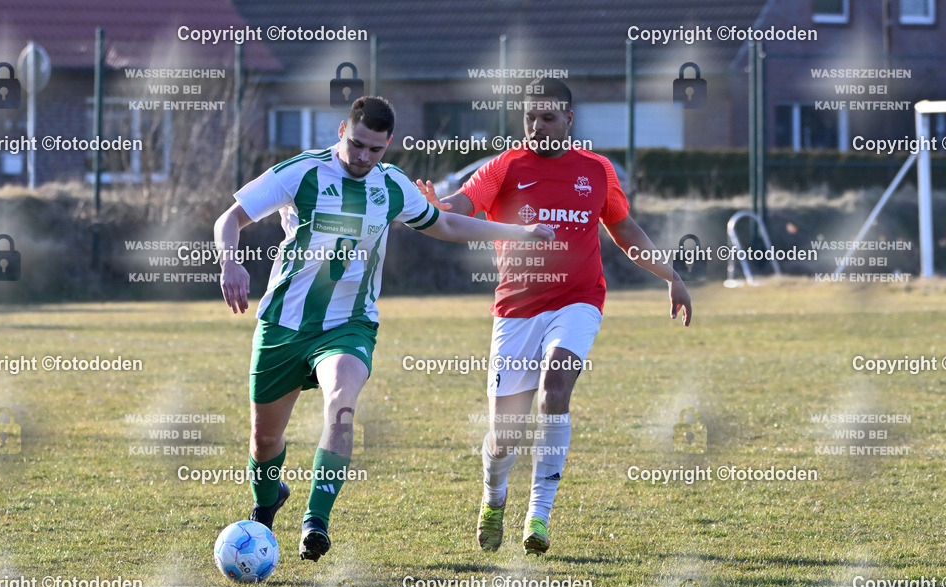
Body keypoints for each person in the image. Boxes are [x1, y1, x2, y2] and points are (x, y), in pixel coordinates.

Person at [214, 95, 554, 562]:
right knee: (265, 440)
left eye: (375, 150)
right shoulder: (302, 172)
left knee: (341, 407)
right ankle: (268, 500)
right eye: (356, 145)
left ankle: (317, 520)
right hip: (284, 325)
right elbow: (229, 218)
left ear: (388, 145)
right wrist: (230, 261)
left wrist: (520, 232)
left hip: (348, 325)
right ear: (341, 132)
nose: (364, 157)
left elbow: (448, 225)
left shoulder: (392, 186)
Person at [417, 77, 691, 556]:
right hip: (516, 310)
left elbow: (624, 229)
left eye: (547, 117)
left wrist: (669, 274)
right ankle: (494, 498)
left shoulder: (597, 170)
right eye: (530, 118)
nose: (537, 126)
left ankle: (538, 516)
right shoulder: (505, 165)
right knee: (504, 436)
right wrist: (435, 207)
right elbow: (460, 207)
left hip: (579, 301)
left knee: (555, 389)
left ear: (569, 119)